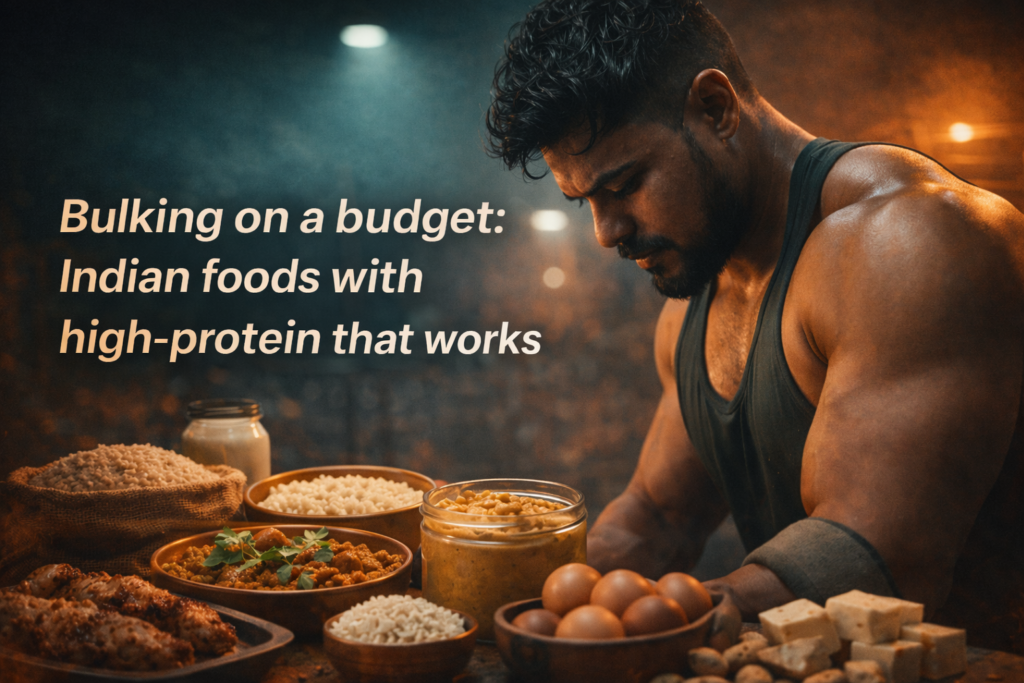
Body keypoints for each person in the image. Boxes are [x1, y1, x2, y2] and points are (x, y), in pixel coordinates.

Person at [486, 0, 1024, 654]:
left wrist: (675, 617)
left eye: (624, 184)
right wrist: (508, 594)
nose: (606, 233)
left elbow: (881, 555)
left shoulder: (908, 242)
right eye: (585, 202)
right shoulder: (691, 306)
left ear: (715, 108)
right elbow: (660, 516)